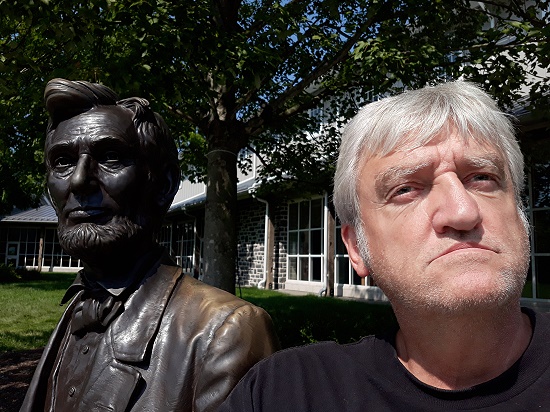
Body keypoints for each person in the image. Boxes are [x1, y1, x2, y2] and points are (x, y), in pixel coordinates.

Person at [220, 81, 550, 411]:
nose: (462, 212)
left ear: (521, 219)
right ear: (357, 248)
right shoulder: (283, 392)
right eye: (405, 189)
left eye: (482, 178)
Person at [20, 78, 279, 412]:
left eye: (111, 157)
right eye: (62, 161)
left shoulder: (225, 332)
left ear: (164, 185)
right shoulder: (78, 309)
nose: (79, 179)